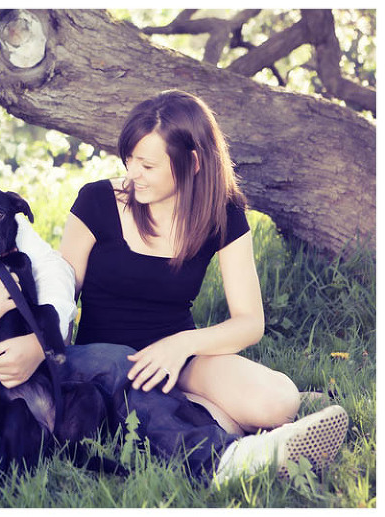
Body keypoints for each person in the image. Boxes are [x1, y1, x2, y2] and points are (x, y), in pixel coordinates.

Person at [0, 78, 347, 485]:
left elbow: (52, 270)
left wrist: (40, 344)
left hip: (10, 370)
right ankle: (51, 440)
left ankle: (226, 459)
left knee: (119, 363)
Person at [59, 89, 304, 436]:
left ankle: (220, 415)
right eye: (130, 159)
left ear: (193, 162)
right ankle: (224, 423)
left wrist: (181, 344)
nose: (133, 173)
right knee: (194, 418)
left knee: (279, 400)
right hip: (107, 364)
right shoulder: (96, 201)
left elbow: (250, 322)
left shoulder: (222, 212)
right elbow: (61, 299)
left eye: (147, 166)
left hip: (180, 360)